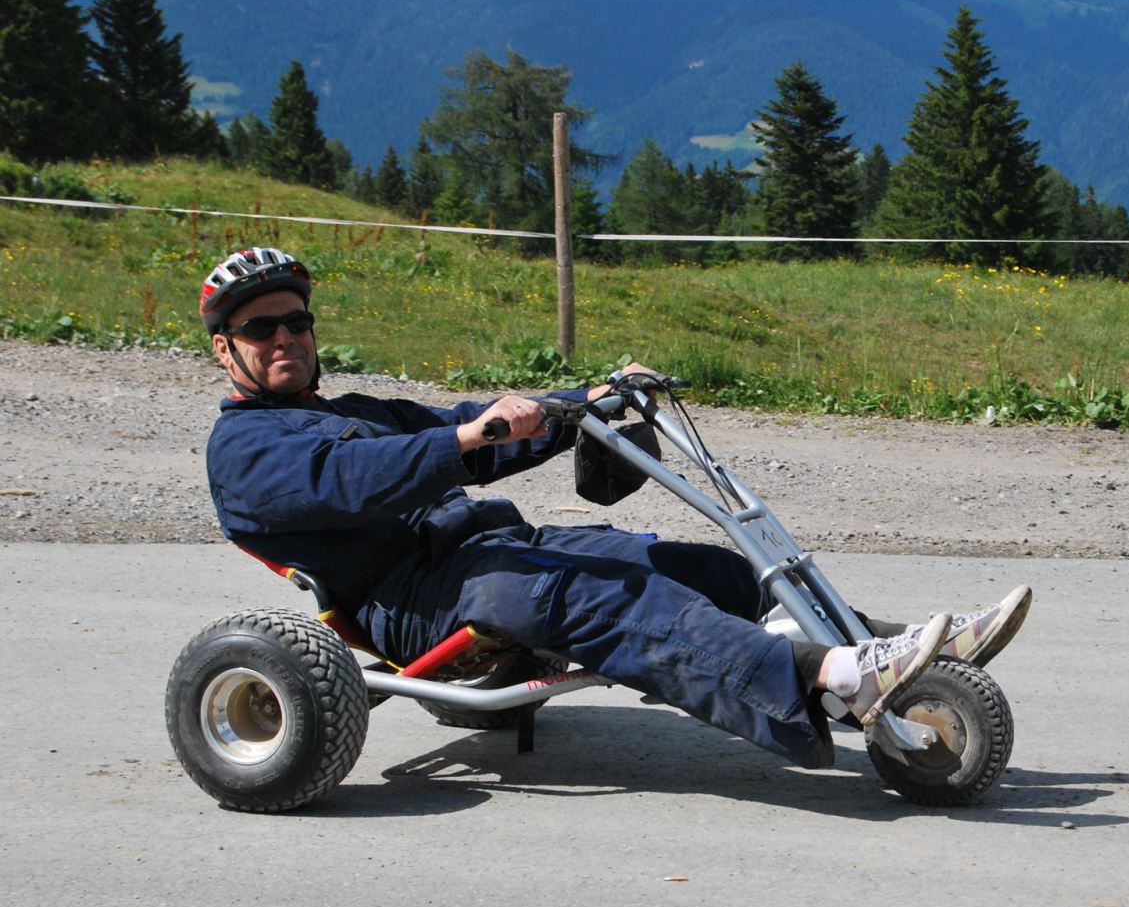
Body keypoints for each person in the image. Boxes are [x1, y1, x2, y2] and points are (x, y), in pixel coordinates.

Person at [202, 247, 1031, 770]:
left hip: (487, 559)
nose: (285, 337)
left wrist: (589, 399)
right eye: (261, 327)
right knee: (611, 599)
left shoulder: (352, 407)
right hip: (417, 605)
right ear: (226, 348)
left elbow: (470, 429)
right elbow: (355, 480)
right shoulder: (242, 447)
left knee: (690, 566)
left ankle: (879, 646)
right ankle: (840, 677)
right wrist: (464, 442)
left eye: (296, 321)